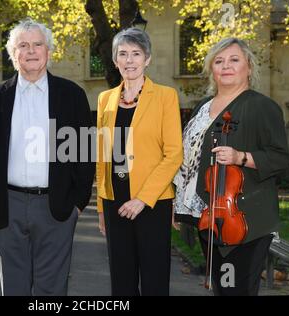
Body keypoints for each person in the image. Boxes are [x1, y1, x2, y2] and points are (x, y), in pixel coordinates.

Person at [0, 18, 94, 296]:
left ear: (48, 51)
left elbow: (85, 152)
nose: (30, 51)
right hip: (8, 206)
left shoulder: (72, 95)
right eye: (22, 45)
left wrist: (78, 202)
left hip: (57, 206)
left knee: (52, 289)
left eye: (37, 44)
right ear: (13, 54)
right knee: (14, 288)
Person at [173, 37, 289, 296]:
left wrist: (242, 158)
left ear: (248, 67)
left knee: (236, 291)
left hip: (245, 219)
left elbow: (281, 157)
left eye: (234, 60)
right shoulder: (201, 108)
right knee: (223, 288)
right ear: (211, 69)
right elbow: (188, 160)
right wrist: (177, 203)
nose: (226, 66)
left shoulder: (261, 106)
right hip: (209, 217)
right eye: (219, 61)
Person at [96, 27, 183, 296]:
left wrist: (142, 199)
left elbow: (174, 154)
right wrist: (101, 206)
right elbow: (102, 156)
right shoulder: (105, 99)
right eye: (123, 54)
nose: (129, 60)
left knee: (154, 280)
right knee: (121, 282)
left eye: (136, 53)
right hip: (115, 203)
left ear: (147, 59)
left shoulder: (166, 96)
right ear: (115, 60)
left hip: (152, 202)